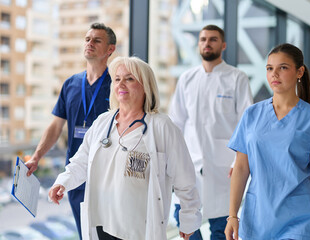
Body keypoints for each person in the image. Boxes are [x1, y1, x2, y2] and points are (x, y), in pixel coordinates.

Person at [48, 56, 202, 240]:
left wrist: (188, 218)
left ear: (146, 86)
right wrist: (63, 181)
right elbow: (81, 162)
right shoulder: (102, 123)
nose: (121, 84)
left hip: (139, 230)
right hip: (102, 225)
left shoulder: (162, 127)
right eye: (117, 79)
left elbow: (184, 178)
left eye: (129, 79)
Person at [225, 43, 310, 240]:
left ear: (299, 72)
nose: (274, 74)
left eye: (282, 68)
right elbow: (241, 168)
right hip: (258, 219)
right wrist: (232, 215)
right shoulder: (252, 114)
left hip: (301, 219)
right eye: (269, 68)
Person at [25, 23, 116, 238]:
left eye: (97, 40)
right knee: (85, 234)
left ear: (110, 49)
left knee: (108, 234)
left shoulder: (117, 83)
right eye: (87, 39)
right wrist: (36, 156)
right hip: (77, 175)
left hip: (108, 175)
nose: (89, 43)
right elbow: (56, 126)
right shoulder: (71, 84)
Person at [169, 24, 253, 239]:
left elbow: (247, 125)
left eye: (213, 39)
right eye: (203, 39)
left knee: (222, 226)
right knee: (185, 219)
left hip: (224, 168)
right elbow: (176, 124)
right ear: (198, 44)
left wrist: (238, 161)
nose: (207, 43)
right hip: (190, 164)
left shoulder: (237, 78)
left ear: (223, 45)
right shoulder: (187, 79)